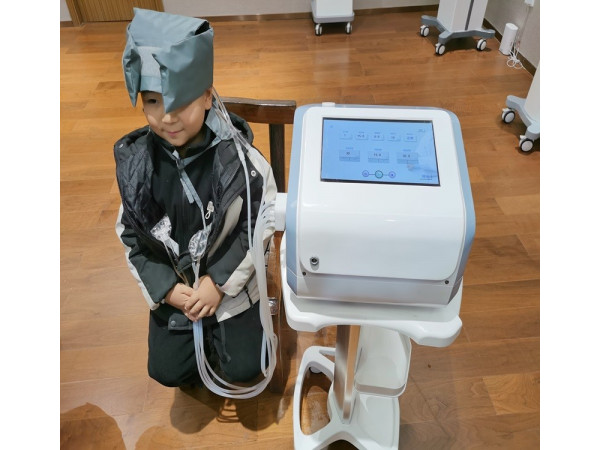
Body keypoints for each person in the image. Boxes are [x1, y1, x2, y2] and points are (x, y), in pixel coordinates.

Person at [114, 8, 277, 389]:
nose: (167, 118)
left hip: (228, 283)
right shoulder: (139, 168)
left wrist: (218, 284)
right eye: (153, 101)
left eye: (180, 102)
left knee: (246, 368)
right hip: (178, 290)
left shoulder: (241, 164)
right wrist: (168, 289)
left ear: (206, 97)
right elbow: (131, 236)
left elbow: (262, 221)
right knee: (167, 371)